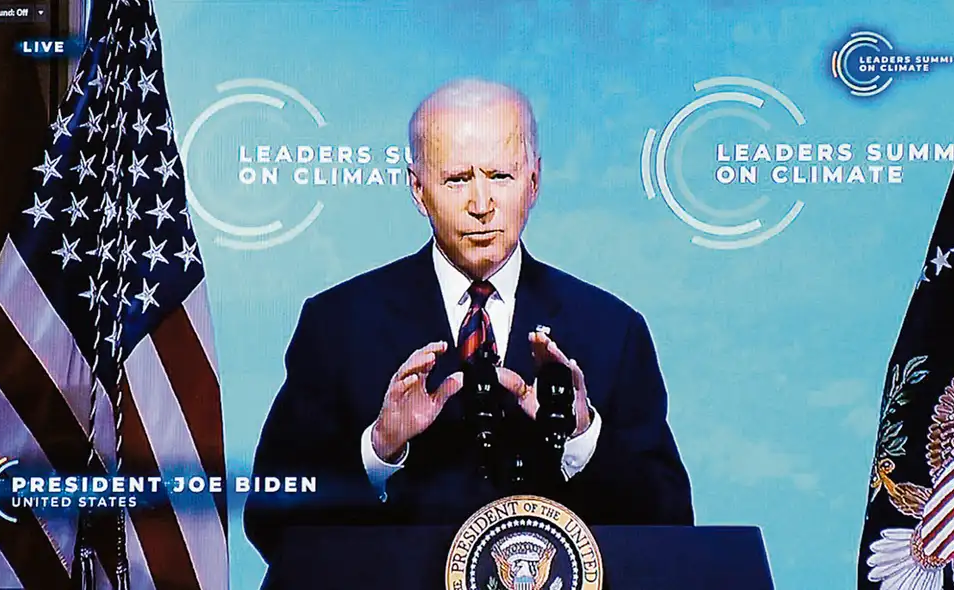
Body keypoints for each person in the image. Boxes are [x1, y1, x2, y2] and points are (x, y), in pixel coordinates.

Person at [244, 78, 693, 565]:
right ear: (418, 188)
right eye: (458, 179)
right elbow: (270, 521)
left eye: (500, 176)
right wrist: (378, 448)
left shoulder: (613, 330)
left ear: (534, 182)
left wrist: (582, 438)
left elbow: (671, 526)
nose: (481, 205)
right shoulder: (336, 325)